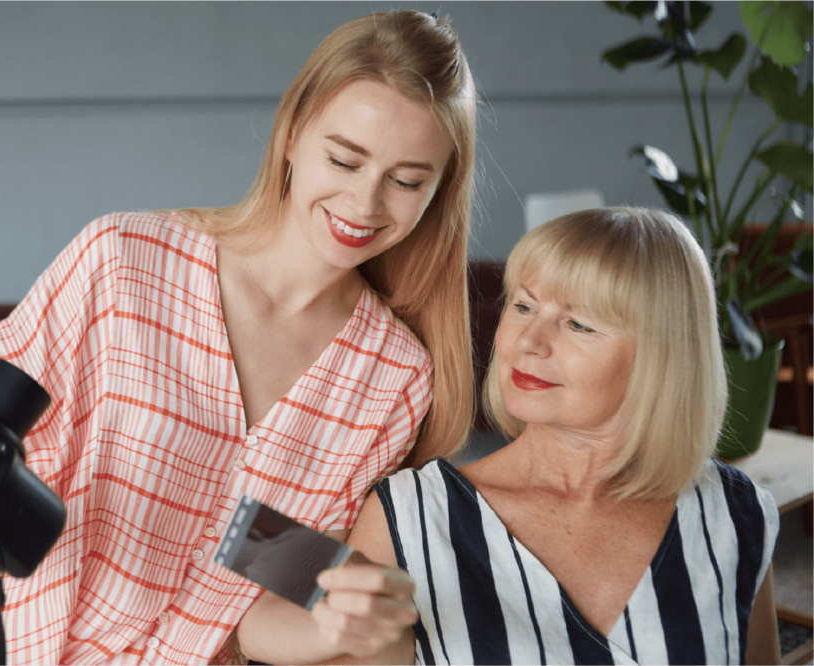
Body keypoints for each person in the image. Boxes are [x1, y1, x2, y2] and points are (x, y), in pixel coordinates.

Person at [0, 10, 478, 666]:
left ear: (439, 190)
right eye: (344, 159)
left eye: (406, 181)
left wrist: (349, 628)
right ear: (293, 134)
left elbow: (265, 599)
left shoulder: (393, 376)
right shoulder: (122, 260)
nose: (364, 205)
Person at [242, 207, 781, 665]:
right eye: (522, 306)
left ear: (664, 357)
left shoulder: (738, 513)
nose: (527, 341)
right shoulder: (408, 513)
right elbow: (245, 558)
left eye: (578, 324)